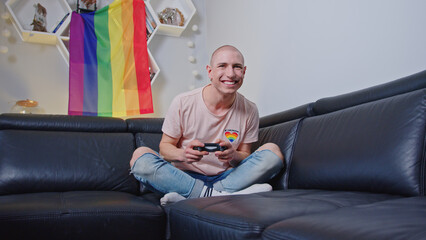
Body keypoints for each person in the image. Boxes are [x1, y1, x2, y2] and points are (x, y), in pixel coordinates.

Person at [130, 45, 284, 205]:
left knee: (273, 153)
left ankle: (199, 195)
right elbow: (165, 147)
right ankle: (218, 195)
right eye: (222, 66)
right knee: (140, 157)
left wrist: (234, 155)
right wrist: (183, 154)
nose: (230, 74)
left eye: (236, 67)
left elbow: (244, 155)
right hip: (184, 177)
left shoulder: (250, 109)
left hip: (227, 178)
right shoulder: (183, 102)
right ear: (210, 72)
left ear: (244, 72)